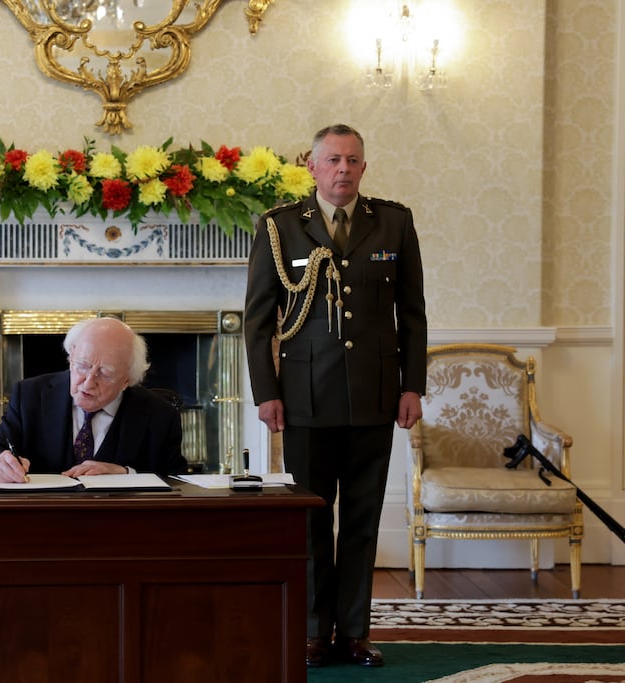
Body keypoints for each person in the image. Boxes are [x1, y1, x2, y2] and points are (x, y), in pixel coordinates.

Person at [243, 123, 427, 668]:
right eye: (333, 160)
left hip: (374, 394)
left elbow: (412, 313)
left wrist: (412, 385)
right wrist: (266, 391)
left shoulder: (393, 222)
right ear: (313, 167)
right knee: (311, 520)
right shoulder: (280, 227)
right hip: (305, 397)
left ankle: (354, 632)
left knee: (363, 518)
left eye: (352, 160)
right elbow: (258, 320)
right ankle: (313, 632)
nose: (343, 169)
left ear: (363, 168)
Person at [0, 316, 188, 482]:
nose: (88, 382)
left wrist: (126, 473)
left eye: (105, 373)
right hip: (41, 525)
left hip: (122, 530)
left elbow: (176, 479)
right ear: (70, 356)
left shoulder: (159, 414)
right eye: (82, 366)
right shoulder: (32, 395)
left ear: (126, 380)